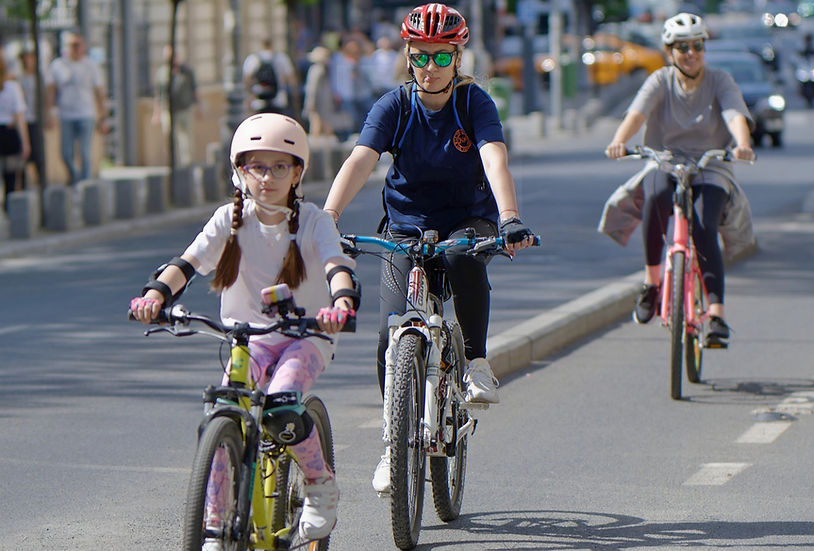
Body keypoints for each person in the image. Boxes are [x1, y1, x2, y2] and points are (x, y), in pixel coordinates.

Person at [321, 3, 535, 494]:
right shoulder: (393, 105)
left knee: (462, 257)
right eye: (421, 56)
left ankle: (477, 363)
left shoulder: (473, 103)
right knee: (386, 337)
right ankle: (391, 447)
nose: (431, 67)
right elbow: (360, 160)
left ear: (458, 57)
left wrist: (508, 220)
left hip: (467, 219)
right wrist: (328, 217)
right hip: (405, 224)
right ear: (407, 55)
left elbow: (494, 160)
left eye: (442, 57)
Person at [129, 113, 357, 545]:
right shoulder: (228, 220)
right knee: (220, 416)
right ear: (239, 172)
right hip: (244, 339)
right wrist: (156, 296)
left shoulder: (313, 221)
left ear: (297, 172)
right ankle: (215, 526)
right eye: (256, 166)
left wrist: (342, 302)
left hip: (305, 336)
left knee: (283, 402)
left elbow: (336, 266)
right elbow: (186, 264)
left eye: (279, 166)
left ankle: (319, 485)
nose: (267, 177)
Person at [604, 12, 754, 346]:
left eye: (697, 45)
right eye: (682, 46)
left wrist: (742, 144)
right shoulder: (660, 80)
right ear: (669, 51)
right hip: (666, 161)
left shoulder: (720, 80)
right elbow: (637, 113)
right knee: (654, 198)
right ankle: (652, 283)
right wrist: (619, 140)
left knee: (703, 225)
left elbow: (734, 114)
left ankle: (716, 314)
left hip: (710, 165)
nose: (691, 52)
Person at [45, 32, 108, 186]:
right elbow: (51, 90)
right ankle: (75, 177)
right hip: (66, 114)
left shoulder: (90, 65)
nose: (76, 48)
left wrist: (103, 116)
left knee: (85, 153)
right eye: (73, 45)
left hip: (86, 113)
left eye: (79, 45)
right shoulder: (58, 65)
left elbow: (99, 91)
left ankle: (85, 186)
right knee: (65, 153)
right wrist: (49, 112)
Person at [151, 45, 201, 167]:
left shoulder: (187, 71)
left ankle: (186, 163)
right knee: (169, 137)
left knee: (186, 138)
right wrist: (156, 113)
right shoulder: (162, 73)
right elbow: (159, 95)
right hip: (168, 110)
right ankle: (173, 162)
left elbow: (194, 90)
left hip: (184, 108)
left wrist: (199, 106)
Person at [0, 52, 31, 211]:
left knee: (11, 174)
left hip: (7, 133)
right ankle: (9, 210)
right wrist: (25, 142)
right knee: (11, 176)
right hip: (8, 133)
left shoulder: (12, 85)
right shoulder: (12, 86)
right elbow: (19, 116)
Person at [329, 33, 374, 141]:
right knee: (348, 117)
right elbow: (334, 77)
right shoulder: (337, 59)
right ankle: (346, 136)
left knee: (357, 116)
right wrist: (335, 92)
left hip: (355, 94)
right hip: (343, 93)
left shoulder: (356, 60)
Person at [243, 36, 298, 116]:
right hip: (278, 101)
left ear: (261, 45)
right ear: (272, 44)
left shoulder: (253, 59)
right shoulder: (281, 58)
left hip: (258, 102)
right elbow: (291, 79)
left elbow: (247, 80)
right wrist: (295, 98)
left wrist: (250, 96)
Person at [17, 48, 45, 190]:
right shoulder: (18, 78)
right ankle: (23, 185)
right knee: (22, 153)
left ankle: (42, 182)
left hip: (35, 118)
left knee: (38, 152)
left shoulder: (40, 77)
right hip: (22, 118)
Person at [302, 46, 337, 139]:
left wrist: (310, 103)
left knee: (315, 125)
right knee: (325, 123)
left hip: (317, 102)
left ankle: (315, 148)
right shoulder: (324, 69)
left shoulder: (315, 69)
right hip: (325, 101)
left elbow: (312, 88)